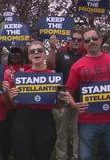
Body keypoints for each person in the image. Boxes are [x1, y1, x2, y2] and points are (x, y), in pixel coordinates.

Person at [9, 41, 69, 160]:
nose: (36, 53)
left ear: (45, 55)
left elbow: (58, 106)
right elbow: (13, 103)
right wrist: (11, 97)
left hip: (45, 120)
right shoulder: (21, 77)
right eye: (32, 51)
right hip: (22, 120)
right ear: (29, 56)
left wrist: (63, 100)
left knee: (43, 156)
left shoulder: (53, 77)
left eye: (39, 50)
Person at [66, 27, 110, 160]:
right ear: (84, 44)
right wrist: (74, 105)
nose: (91, 42)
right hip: (88, 122)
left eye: (94, 39)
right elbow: (68, 91)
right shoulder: (77, 66)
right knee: (85, 157)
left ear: (100, 40)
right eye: (87, 40)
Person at [46, 30, 84, 160]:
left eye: (79, 39)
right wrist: (52, 48)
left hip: (79, 100)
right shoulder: (61, 54)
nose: (76, 41)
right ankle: (61, 157)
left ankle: (76, 157)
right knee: (61, 133)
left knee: (77, 132)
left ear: (82, 42)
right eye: (74, 39)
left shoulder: (85, 56)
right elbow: (50, 65)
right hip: (62, 99)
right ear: (69, 40)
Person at [2, 46, 30, 160]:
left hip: (23, 108)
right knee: (6, 137)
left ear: (22, 56)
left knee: (21, 138)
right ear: (9, 56)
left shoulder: (28, 67)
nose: (15, 56)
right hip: (6, 108)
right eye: (12, 54)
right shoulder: (3, 68)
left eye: (18, 54)